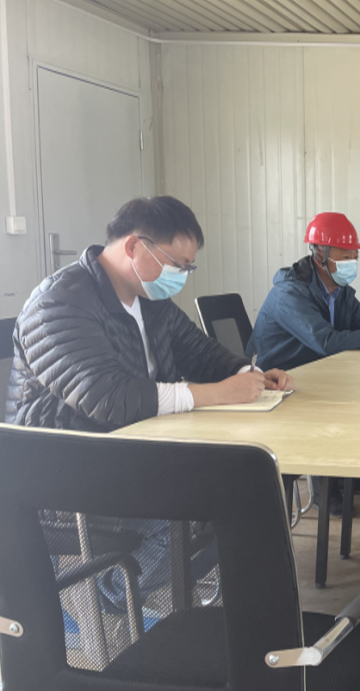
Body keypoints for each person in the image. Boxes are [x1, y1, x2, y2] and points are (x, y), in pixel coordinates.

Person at [6, 195, 295, 612]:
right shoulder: (58, 303)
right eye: (177, 264)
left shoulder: (149, 300)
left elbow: (201, 353)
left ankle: (143, 588)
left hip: (130, 453)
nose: (182, 276)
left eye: (188, 267)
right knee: (207, 508)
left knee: (249, 495)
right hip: (63, 477)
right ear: (133, 246)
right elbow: (108, 398)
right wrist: (216, 393)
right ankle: (105, 594)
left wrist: (252, 374)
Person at [246, 212, 360, 372]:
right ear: (319, 257)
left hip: (312, 374)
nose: (352, 263)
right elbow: (326, 342)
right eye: (345, 257)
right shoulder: (289, 294)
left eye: (355, 257)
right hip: (271, 383)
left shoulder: (339, 292)